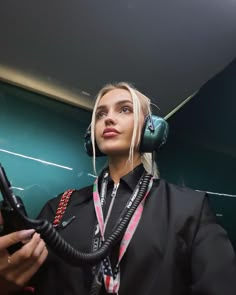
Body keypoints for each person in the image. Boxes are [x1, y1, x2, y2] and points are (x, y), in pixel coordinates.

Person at [0, 82, 236, 295]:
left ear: (151, 128)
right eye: (101, 113)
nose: (108, 119)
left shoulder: (189, 207)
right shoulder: (59, 206)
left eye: (124, 109)